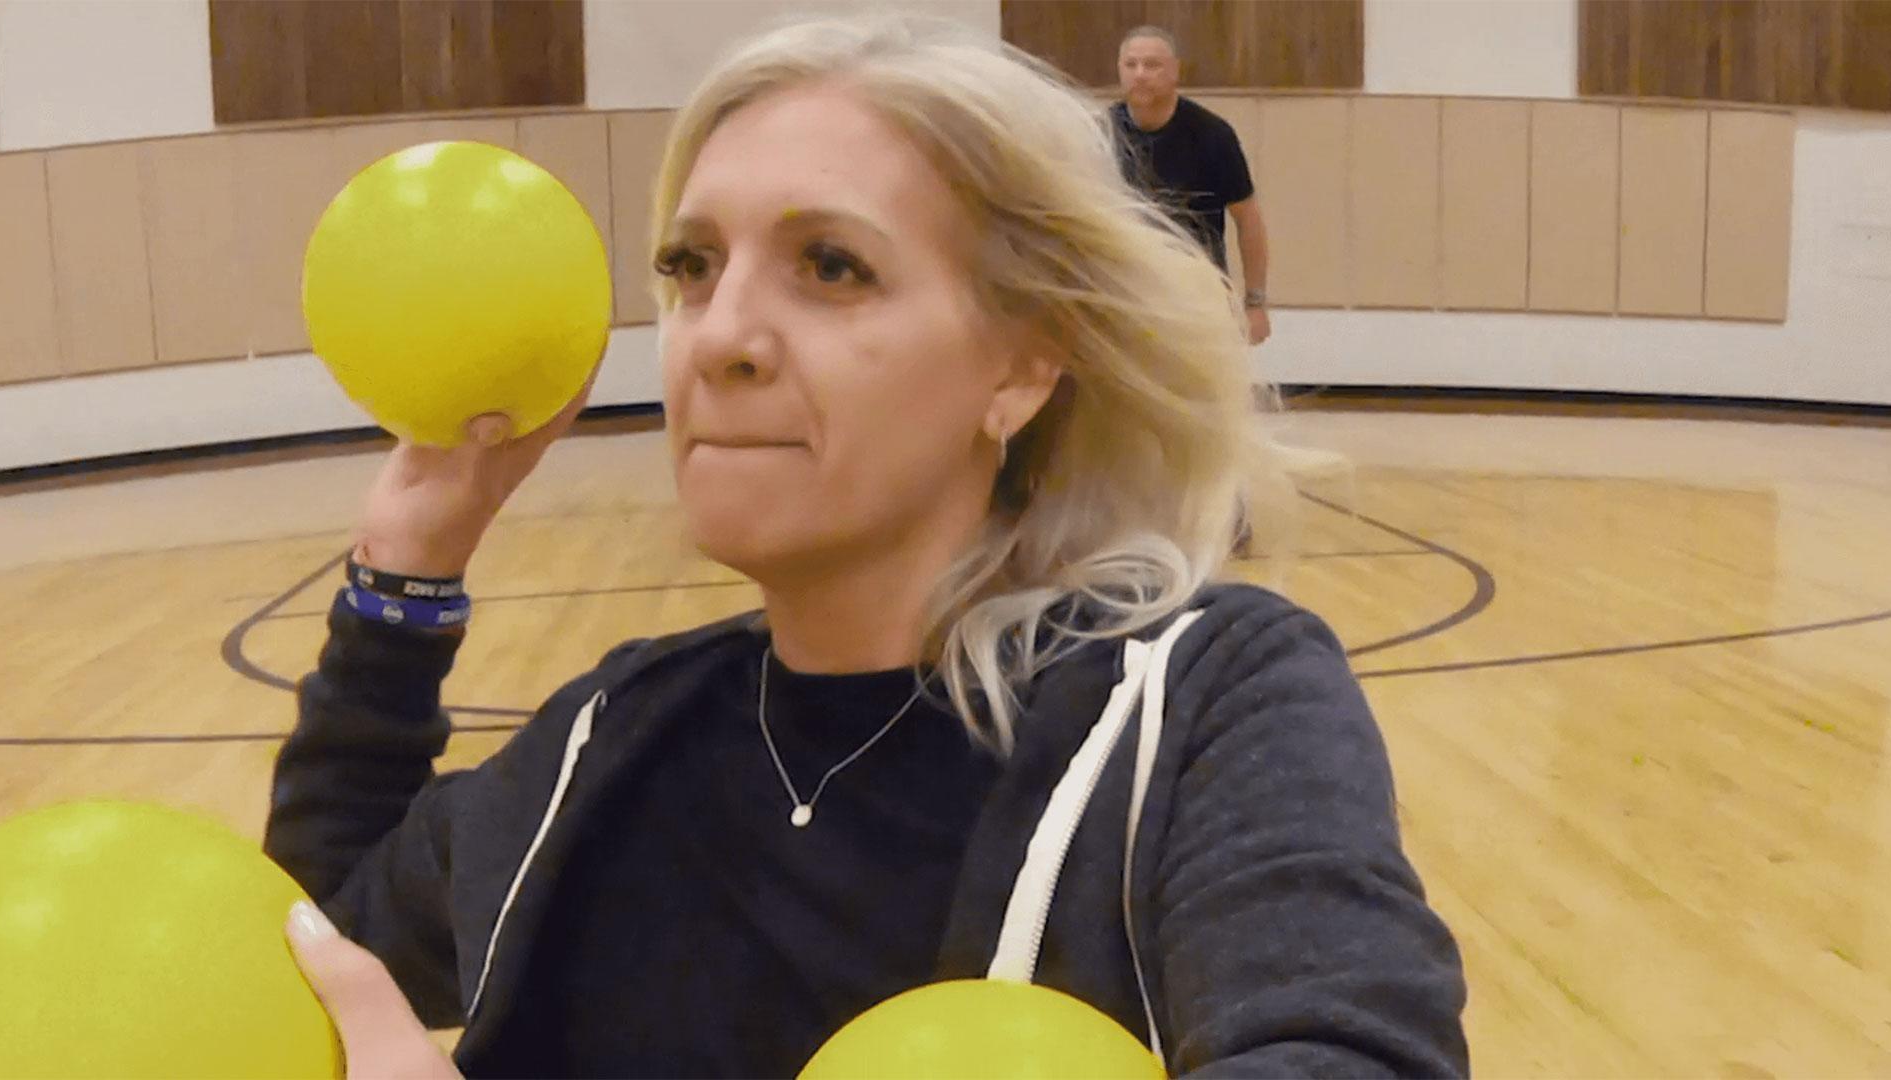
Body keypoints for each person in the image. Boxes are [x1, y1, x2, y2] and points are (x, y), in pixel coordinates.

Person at [271, 15, 1467, 1078]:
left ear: (1021, 366)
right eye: (692, 267)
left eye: (830, 267)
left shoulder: (1195, 702)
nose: (719, 334)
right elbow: (324, 949)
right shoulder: (610, 735)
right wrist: (404, 574)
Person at [1112, 25, 1271, 348]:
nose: (1140, 74)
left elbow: (1248, 219)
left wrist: (1255, 302)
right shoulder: (1100, 133)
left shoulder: (1213, 136)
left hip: (1199, 298)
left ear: (1175, 71)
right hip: (1126, 295)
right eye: (1131, 64)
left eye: (1152, 65)